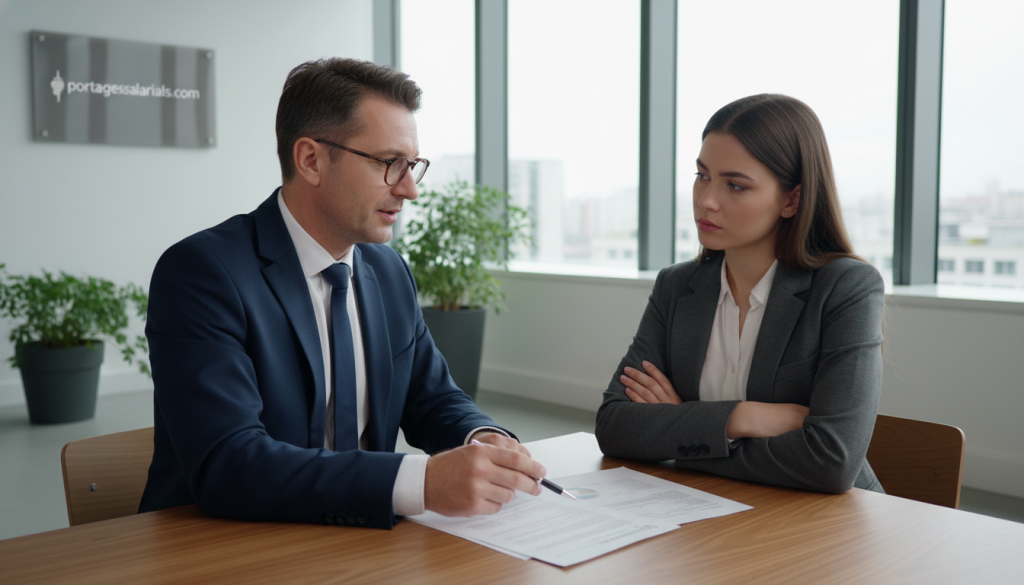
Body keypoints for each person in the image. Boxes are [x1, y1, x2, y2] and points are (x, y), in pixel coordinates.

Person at [138, 58, 546, 528]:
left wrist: (484, 436)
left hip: (357, 544)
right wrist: (423, 482)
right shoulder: (202, 273)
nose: (410, 189)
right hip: (220, 548)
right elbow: (229, 464)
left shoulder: (389, 272)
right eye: (389, 164)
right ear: (311, 160)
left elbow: (432, 399)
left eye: (411, 165)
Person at [595, 94, 885, 494]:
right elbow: (614, 426)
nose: (706, 200)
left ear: (791, 200)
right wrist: (742, 418)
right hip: (715, 518)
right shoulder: (677, 287)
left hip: (830, 529)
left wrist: (681, 424)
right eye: (702, 175)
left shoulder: (845, 288)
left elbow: (830, 461)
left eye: (735, 185)